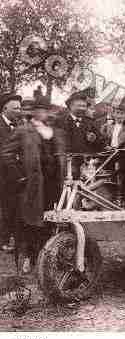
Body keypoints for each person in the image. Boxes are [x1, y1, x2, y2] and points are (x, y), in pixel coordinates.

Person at [1, 98, 66, 274]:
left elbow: (61, 157)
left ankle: (44, 261)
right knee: (28, 224)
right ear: (35, 112)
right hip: (32, 186)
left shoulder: (55, 132)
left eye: (47, 110)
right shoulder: (24, 131)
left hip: (53, 186)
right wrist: (20, 177)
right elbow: (5, 154)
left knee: (50, 222)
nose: (45, 113)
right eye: (41, 110)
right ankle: (25, 260)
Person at [0, 93, 22, 253]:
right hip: (3, 173)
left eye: (20, 108)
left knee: (13, 206)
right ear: (5, 108)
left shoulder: (19, 125)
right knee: (4, 207)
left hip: (15, 173)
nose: (19, 111)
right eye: (16, 108)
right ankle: (3, 240)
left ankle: (10, 238)